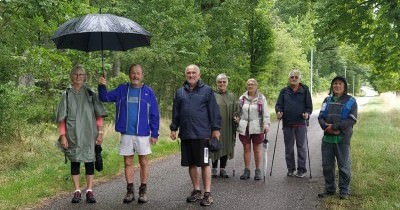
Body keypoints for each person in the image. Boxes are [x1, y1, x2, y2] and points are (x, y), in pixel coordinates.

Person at [98, 64, 160, 204]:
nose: (135, 76)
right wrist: (102, 86)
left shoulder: (148, 92)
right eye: (133, 73)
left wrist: (154, 133)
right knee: (128, 162)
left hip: (143, 133)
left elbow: (155, 114)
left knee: (144, 162)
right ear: (129, 74)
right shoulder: (122, 89)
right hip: (126, 133)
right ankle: (130, 191)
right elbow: (105, 97)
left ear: (142, 75)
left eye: (138, 73)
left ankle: (143, 191)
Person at [169, 64, 221, 206]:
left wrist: (215, 130)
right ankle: (196, 190)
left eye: (193, 73)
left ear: (199, 75)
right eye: (188, 73)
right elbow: (176, 112)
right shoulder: (180, 92)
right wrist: (174, 128)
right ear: (185, 75)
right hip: (186, 135)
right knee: (191, 164)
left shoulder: (207, 91)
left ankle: (207, 194)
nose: (191, 75)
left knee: (204, 164)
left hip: (203, 135)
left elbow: (214, 112)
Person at [56, 64, 107, 204]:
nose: (78, 77)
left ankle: (90, 190)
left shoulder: (91, 93)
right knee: (75, 160)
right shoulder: (66, 94)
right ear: (71, 76)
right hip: (72, 133)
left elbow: (99, 115)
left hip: (90, 132)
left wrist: (100, 132)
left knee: (90, 160)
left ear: (85, 77)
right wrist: (63, 135)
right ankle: (77, 190)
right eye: (75, 74)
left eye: (81, 74)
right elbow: (62, 118)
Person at [317, 76, 357, 200]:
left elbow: (352, 119)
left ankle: (344, 191)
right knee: (327, 165)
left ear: (344, 86)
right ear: (332, 86)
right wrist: (325, 127)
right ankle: (330, 189)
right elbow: (320, 117)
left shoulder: (351, 101)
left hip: (342, 138)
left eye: (340, 84)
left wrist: (335, 127)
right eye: (335, 84)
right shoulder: (327, 100)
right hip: (327, 138)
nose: (337, 86)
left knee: (343, 166)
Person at [275, 69, 313, 178]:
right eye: (292, 77)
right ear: (289, 79)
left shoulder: (305, 90)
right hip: (287, 123)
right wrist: (278, 112)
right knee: (289, 148)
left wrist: (307, 114)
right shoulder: (284, 91)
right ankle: (290, 169)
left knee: (301, 147)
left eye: (296, 77)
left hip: (301, 122)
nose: (294, 79)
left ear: (299, 79)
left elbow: (309, 106)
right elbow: (278, 105)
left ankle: (301, 170)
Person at [235, 78, 270, 180]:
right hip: (244, 126)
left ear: (256, 86)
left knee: (257, 149)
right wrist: (237, 118)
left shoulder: (261, 98)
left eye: (252, 84)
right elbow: (238, 112)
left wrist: (266, 124)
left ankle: (258, 170)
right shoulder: (242, 98)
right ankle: (246, 170)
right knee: (246, 149)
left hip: (257, 126)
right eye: (248, 84)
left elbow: (266, 113)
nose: (250, 86)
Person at [211, 73, 236, 178]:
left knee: (226, 145)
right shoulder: (212, 95)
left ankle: (223, 168)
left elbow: (236, 110)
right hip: (215, 126)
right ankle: (213, 168)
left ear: (227, 83)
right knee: (215, 144)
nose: (222, 84)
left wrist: (237, 117)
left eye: (224, 82)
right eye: (219, 82)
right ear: (216, 83)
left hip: (228, 126)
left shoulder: (232, 96)